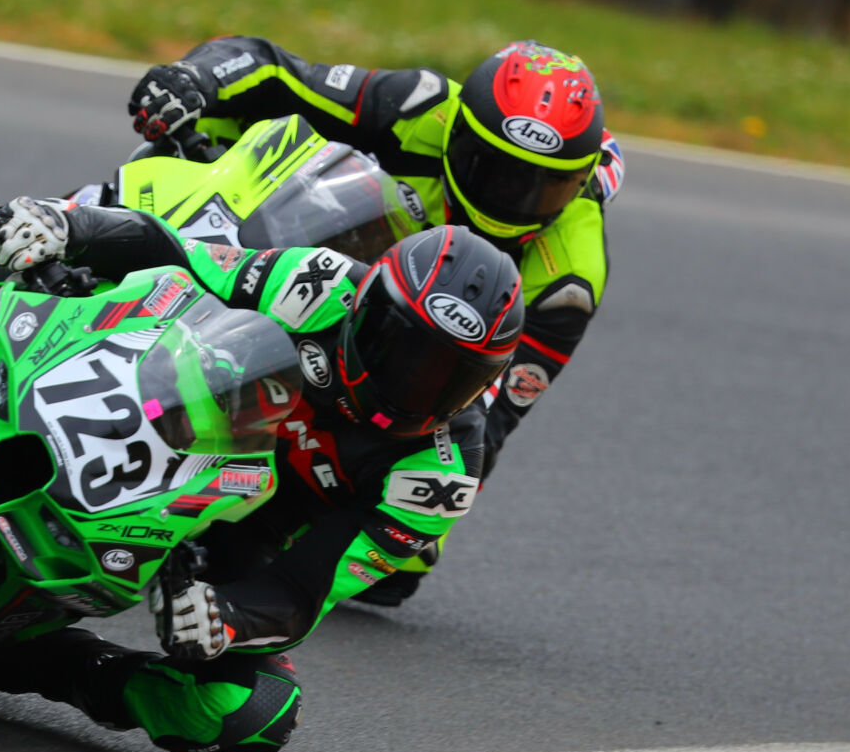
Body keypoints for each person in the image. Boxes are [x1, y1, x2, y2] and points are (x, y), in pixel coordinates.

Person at [0, 198, 523, 752]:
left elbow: (307, 586)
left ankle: (31, 658)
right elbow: (175, 253)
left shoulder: (441, 476)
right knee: (1, 231)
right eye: (404, 351)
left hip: (237, 534)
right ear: (366, 304)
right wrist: (73, 228)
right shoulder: (319, 283)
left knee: (250, 716)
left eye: (448, 377)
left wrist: (226, 617)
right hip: (164, 413)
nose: (414, 384)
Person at [126, 37, 622, 605]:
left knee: (390, 560)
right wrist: (195, 80)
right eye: (496, 172)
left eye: (543, 187)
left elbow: (492, 414)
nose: (512, 202)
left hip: (399, 384)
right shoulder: (422, 107)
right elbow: (278, 71)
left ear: (579, 182)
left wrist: (415, 506)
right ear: (458, 131)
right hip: (328, 289)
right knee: (203, 166)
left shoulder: (568, 280)